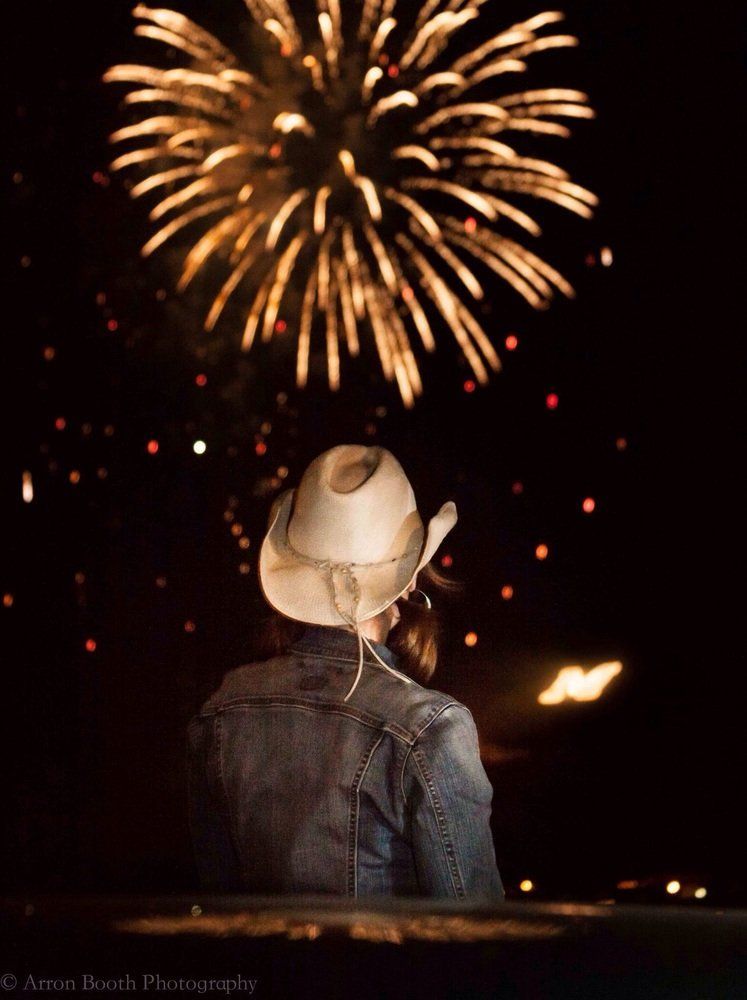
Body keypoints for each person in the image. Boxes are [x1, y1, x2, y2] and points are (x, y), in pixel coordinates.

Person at [186, 444, 504, 899]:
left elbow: (217, 908)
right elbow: (476, 932)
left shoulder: (221, 711)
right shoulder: (431, 728)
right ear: (410, 577)